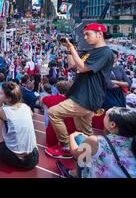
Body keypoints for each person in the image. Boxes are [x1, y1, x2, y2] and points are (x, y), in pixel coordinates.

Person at [46, 23, 114, 159]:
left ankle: (66, 146)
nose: (85, 37)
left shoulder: (105, 52)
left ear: (99, 34)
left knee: (53, 113)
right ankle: (87, 160)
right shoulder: (92, 52)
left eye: (88, 34)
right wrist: (68, 49)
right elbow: (73, 65)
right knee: (84, 132)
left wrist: (72, 48)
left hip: (87, 97)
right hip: (83, 95)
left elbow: (83, 67)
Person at [57, 107, 136, 178]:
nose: (104, 116)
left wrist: (71, 136)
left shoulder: (95, 141)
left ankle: (74, 174)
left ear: (112, 124)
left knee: (80, 139)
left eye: (106, 115)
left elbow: (75, 154)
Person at [0, 82, 39, 170]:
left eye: (1, 93)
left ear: (8, 98)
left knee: (1, 122)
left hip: (13, 159)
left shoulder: (0, 111)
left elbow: (1, 110)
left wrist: (1, 101)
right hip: (34, 159)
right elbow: (31, 115)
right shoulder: (27, 107)